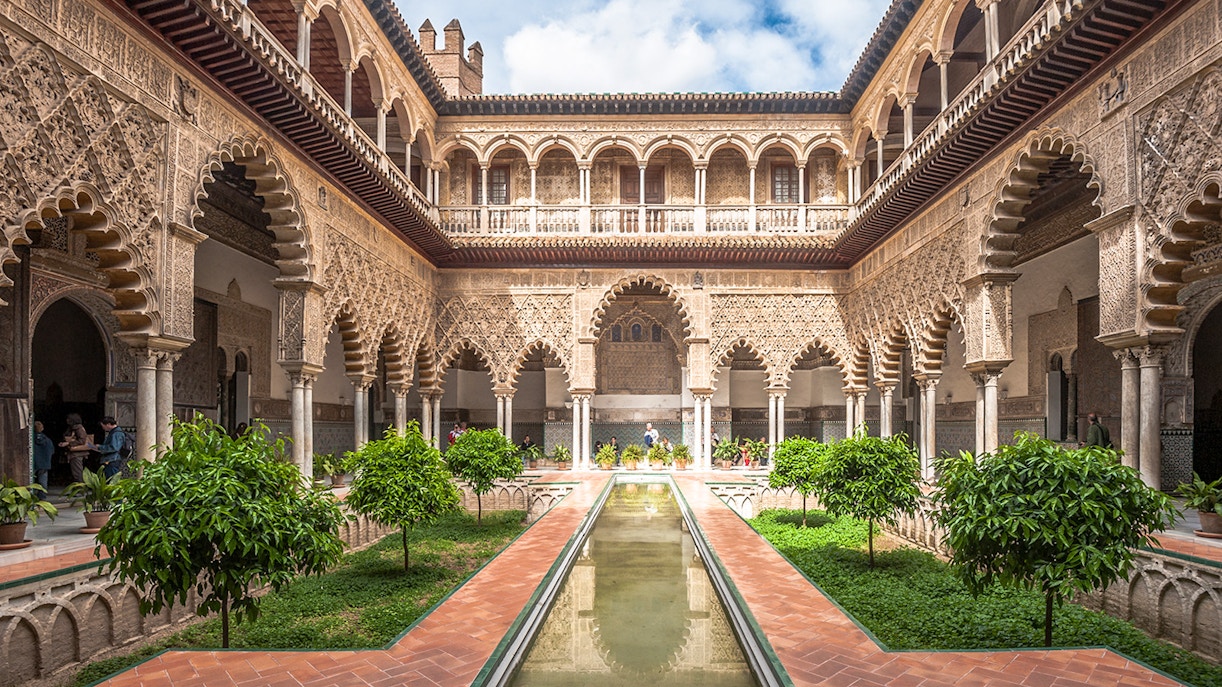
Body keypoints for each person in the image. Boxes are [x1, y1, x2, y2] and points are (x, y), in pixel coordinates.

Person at [58, 413, 91, 483]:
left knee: (77, 473)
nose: (67, 420)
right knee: (76, 472)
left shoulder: (78, 428)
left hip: (77, 453)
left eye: (69, 419)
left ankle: (80, 488)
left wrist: (68, 443)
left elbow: (82, 440)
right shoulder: (72, 428)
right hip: (74, 453)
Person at [32, 421, 53, 490]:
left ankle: (29, 494)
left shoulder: (30, 439)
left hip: (33, 463)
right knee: (43, 480)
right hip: (44, 463)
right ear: (42, 428)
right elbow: (52, 450)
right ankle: (42, 494)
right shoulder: (47, 440)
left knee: (30, 479)